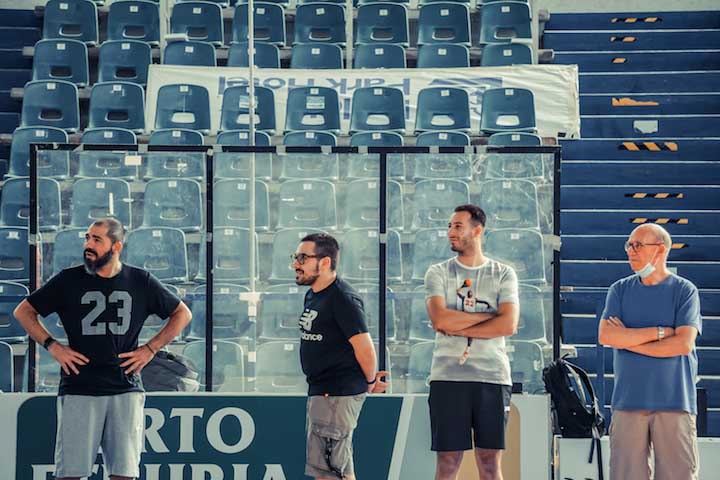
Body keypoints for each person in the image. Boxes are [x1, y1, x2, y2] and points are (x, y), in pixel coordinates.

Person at [14, 218, 192, 480]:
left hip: (125, 386)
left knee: (124, 474)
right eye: (87, 238)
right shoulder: (68, 280)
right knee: (70, 474)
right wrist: (53, 346)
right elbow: (23, 311)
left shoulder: (140, 280)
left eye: (97, 240)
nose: (88, 245)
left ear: (116, 246)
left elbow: (182, 314)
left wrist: (150, 349)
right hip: (79, 385)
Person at [598, 223, 701, 480]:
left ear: (660, 250)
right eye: (629, 245)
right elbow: (606, 336)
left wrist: (628, 340)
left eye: (638, 245)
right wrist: (661, 332)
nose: (630, 251)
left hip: (675, 402)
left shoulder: (685, 291)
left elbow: (683, 344)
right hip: (628, 402)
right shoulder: (619, 290)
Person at [424, 204, 519, 480]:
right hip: (448, 377)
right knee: (447, 463)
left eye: (458, 226)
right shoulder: (438, 272)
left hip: (492, 377)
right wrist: (489, 316)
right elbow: (440, 320)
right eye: (449, 226)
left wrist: (459, 322)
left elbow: (508, 324)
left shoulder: (503, 273)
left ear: (477, 230)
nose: (450, 232)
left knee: (490, 463)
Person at [293, 232, 388, 480]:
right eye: (295, 257)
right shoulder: (314, 294)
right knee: (326, 472)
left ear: (325, 262)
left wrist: (369, 382)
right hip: (322, 392)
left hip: (337, 393)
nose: (295, 264)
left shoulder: (343, 298)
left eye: (302, 258)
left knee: (334, 473)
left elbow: (365, 347)